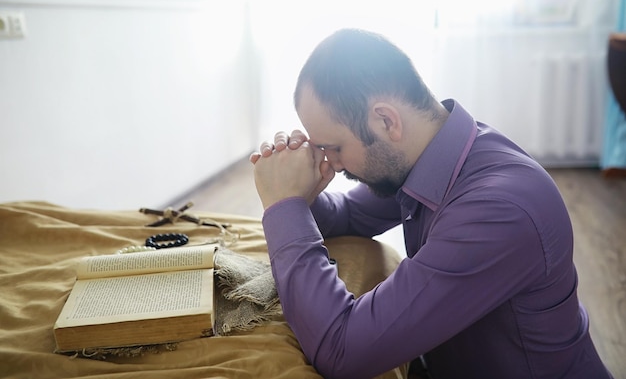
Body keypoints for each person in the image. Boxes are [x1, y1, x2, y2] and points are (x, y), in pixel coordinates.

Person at [249, 28, 613, 379]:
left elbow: (342, 349)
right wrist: (301, 190)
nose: (334, 162)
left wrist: (286, 207)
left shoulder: (499, 210)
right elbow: (348, 215)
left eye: (335, 148)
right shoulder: (436, 151)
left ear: (386, 120)